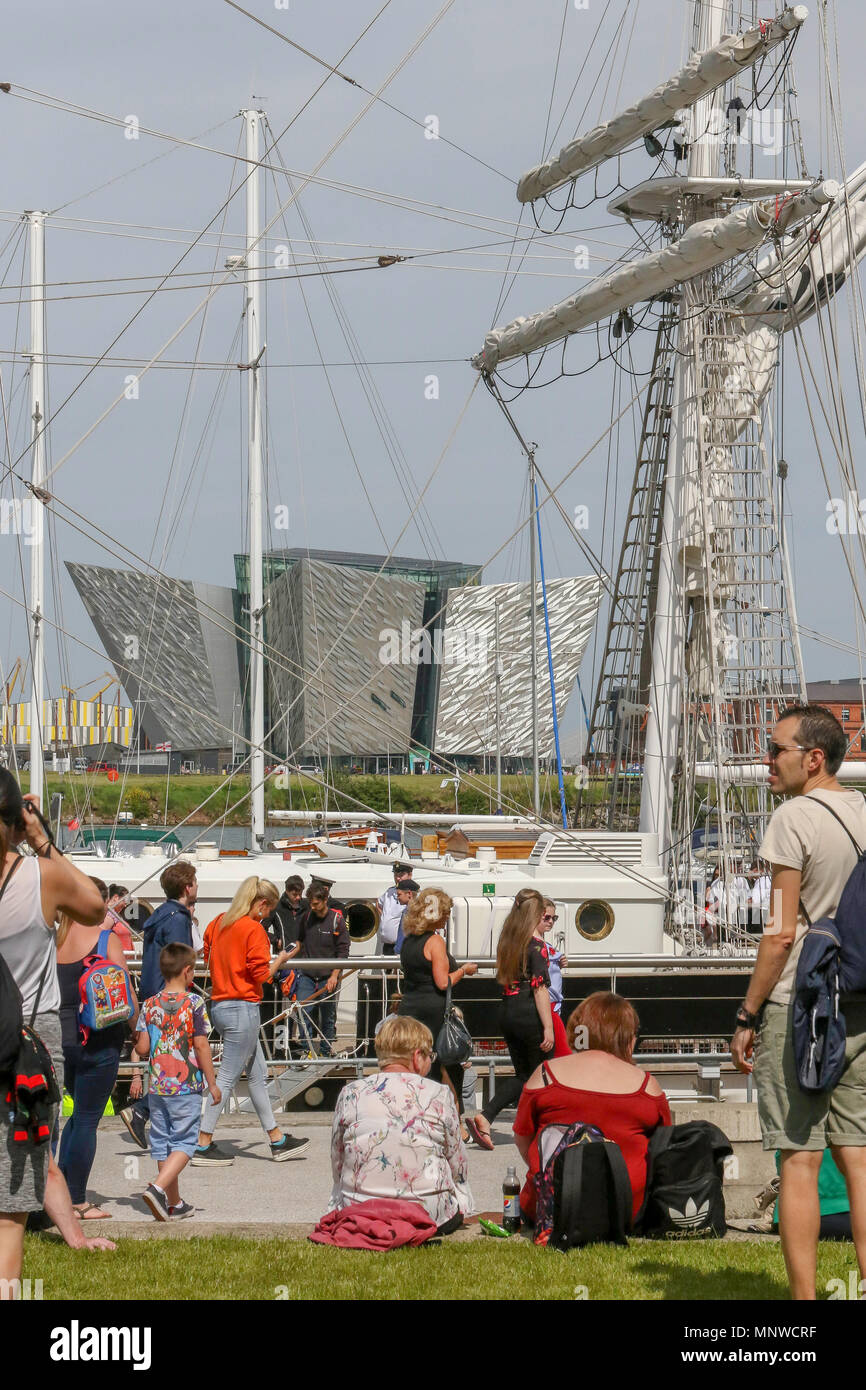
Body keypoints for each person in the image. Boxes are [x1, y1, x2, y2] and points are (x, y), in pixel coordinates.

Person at [730, 703, 866, 1300]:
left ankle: (806, 1304)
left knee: (799, 1160)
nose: (766, 760)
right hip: (858, 1001)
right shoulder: (863, 811)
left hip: (802, 1006)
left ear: (813, 758)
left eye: (775, 749)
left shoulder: (793, 819)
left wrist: (748, 1013)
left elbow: (781, 930)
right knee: (859, 1159)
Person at [0, 770, 116, 1295]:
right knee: (27, 1153)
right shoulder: (40, 876)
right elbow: (95, 906)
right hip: (29, 1034)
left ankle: (70, 1231)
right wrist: (40, 837)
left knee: (28, 1153)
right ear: (15, 818)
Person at [513, 992, 671, 1228]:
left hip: (551, 1209)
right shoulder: (647, 1086)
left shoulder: (545, 1076)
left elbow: (523, 1139)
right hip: (626, 1211)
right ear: (626, 1037)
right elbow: (663, 1150)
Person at [195, 876, 308, 1165]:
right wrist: (281, 958)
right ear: (260, 903)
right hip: (242, 1008)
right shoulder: (253, 930)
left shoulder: (218, 922)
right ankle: (203, 1141)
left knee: (258, 1076)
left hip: (220, 1005)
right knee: (227, 1077)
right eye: (268, 910)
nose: (268, 916)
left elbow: (207, 956)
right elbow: (262, 975)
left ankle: (277, 1139)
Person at [328, 1015, 474, 1233]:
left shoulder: (351, 1093)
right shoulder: (439, 1094)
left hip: (360, 1208)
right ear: (417, 1057)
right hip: (427, 1212)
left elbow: (337, 1158)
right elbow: (458, 1163)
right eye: (430, 1056)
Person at [55, 895, 140, 1219]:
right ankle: (76, 1201)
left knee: (71, 1118)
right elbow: (126, 993)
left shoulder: (52, 940)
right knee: (87, 1119)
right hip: (100, 1040)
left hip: (60, 1040)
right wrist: (138, 1032)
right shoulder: (105, 940)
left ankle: (59, 1191)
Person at [132, 943, 219, 1219]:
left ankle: (174, 1203)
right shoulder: (194, 1003)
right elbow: (202, 1045)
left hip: (157, 1086)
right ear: (187, 971)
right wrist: (212, 1081)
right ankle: (157, 1189)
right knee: (184, 1143)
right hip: (186, 1086)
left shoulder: (149, 1004)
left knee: (162, 1142)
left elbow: (142, 1048)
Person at [465, 889, 553, 1151]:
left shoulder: (508, 940)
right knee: (539, 1074)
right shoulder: (536, 947)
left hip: (507, 1009)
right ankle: (530, 1126)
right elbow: (540, 988)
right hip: (527, 1012)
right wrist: (548, 1026)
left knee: (524, 1074)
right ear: (534, 915)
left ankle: (493, 1117)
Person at [119, 860, 198, 1151]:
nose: (197, 888)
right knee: (175, 1064)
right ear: (187, 887)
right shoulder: (177, 918)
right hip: (170, 1000)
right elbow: (180, 960)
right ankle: (145, 1113)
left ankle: (146, 1113)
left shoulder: (160, 916)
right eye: (195, 884)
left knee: (163, 1061)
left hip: (153, 995)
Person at [398, 886, 479, 1111]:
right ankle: (455, 1117)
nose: (446, 918)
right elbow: (443, 982)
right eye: (444, 913)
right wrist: (464, 970)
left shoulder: (408, 940)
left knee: (418, 1064)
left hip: (409, 1007)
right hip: (432, 1010)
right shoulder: (434, 942)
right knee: (447, 1064)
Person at [294, 883, 350, 1057]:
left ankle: (326, 1051)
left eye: (316, 903)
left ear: (325, 900)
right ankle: (307, 1049)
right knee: (303, 1010)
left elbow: (343, 951)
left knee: (328, 1014)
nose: (312, 906)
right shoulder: (306, 917)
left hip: (328, 975)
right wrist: (286, 958)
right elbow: (299, 942)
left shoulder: (337, 920)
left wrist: (335, 975)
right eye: (310, 903)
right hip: (307, 974)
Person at [376, 862, 414, 955]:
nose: (397, 878)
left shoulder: (414, 894)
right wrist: (384, 918)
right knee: (388, 968)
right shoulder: (389, 892)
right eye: (395, 874)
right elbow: (378, 903)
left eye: (401, 875)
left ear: (410, 875)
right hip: (387, 945)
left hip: (403, 945)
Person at [392, 878, 419, 954]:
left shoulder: (410, 912)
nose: (398, 897)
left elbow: (403, 937)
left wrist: (398, 951)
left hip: (406, 955)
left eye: (399, 894)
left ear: (409, 894)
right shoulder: (417, 910)